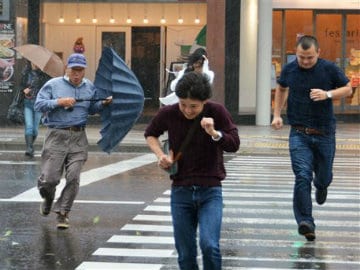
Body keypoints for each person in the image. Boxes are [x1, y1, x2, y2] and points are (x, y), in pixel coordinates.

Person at [145, 72, 240, 270]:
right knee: (186, 253)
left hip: (210, 191)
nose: (188, 110)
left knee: (209, 245)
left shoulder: (217, 111)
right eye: (183, 104)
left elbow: (234, 144)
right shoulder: (169, 113)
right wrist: (160, 156)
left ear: (205, 101)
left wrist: (215, 133)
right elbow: (151, 134)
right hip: (181, 190)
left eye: (194, 106)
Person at [271, 35, 352, 241]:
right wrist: (277, 115)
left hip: (325, 133)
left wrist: (327, 95)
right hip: (299, 132)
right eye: (301, 57)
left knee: (323, 176)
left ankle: (322, 185)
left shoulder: (329, 68)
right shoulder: (289, 69)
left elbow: (348, 88)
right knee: (302, 176)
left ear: (318, 53)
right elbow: (281, 88)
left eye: (309, 57)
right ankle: (305, 221)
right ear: (296, 54)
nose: (305, 61)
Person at [34, 53, 112, 229]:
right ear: (67, 69)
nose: (76, 73)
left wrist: (103, 104)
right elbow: (38, 104)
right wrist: (59, 102)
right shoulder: (53, 84)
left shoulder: (89, 87)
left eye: (80, 70)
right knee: (50, 180)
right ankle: (47, 197)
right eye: (73, 69)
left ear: (84, 71)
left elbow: (92, 108)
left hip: (78, 137)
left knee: (74, 177)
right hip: (56, 135)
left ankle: (63, 213)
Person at [21, 61, 51, 157]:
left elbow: (47, 90)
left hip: (38, 105)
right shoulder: (26, 73)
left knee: (35, 129)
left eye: (37, 63)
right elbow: (21, 86)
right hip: (28, 103)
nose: (36, 64)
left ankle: (31, 145)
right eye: (34, 63)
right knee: (29, 126)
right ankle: (29, 148)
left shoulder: (44, 76)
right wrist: (24, 90)